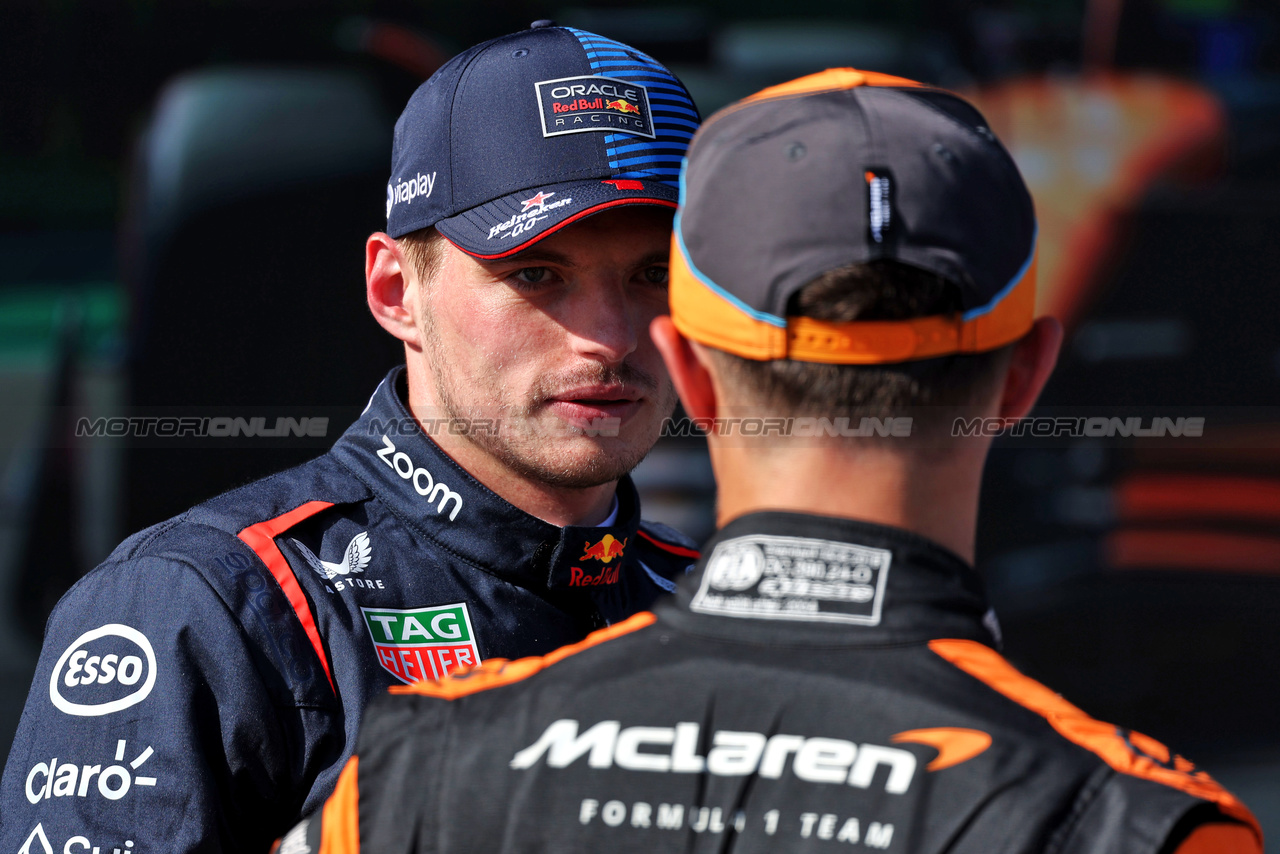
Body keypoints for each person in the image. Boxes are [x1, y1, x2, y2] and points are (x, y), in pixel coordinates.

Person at [281, 69, 1263, 853]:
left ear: (689, 377)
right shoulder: (1134, 821)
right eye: (535, 274)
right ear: (1024, 377)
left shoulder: (412, 772)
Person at [0, 22, 702, 854]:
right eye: (536, 274)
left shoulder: (714, 601)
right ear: (395, 290)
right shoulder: (198, 607)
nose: (610, 336)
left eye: (654, 274)